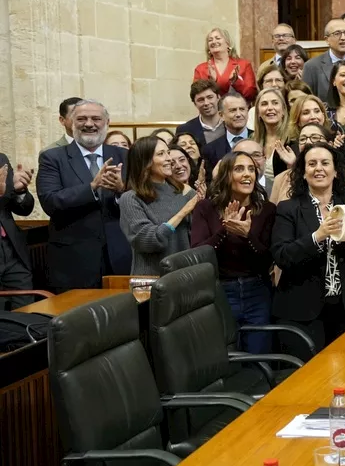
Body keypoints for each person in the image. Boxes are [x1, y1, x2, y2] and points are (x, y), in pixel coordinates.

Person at [271, 142, 345, 354]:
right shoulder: (288, 208)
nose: (318, 168)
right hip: (303, 311)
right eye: (312, 164)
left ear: (336, 171)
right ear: (303, 173)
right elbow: (282, 256)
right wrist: (318, 236)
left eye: (325, 163)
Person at [37, 100, 131, 290]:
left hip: (121, 255)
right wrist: (91, 187)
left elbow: (145, 197)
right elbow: (50, 201)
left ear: (107, 122)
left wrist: (122, 191)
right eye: (82, 119)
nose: (89, 124)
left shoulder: (125, 155)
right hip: (74, 260)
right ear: (71, 122)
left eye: (96, 118)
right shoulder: (53, 157)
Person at [190, 150, 278, 353]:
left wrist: (248, 237)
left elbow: (268, 259)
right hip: (219, 291)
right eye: (239, 169)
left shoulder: (267, 210)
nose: (247, 174)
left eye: (251, 169)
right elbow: (198, 254)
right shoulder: (206, 208)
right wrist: (224, 230)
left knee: (259, 359)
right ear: (226, 175)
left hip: (258, 291)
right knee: (225, 358)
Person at [118, 136, 199, 275]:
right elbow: (149, 241)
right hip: (152, 281)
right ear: (145, 161)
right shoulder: (131, 199)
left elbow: (197, 236)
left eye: (168, 152)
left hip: (185, 278)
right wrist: (183, 212)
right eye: (161, 154)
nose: (169, 158)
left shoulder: (184, 193)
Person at [0, 154, 35, 310]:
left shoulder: (1, 160)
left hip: (12, 250)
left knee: (26, 310)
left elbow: (23, 208)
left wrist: (20, 191)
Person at [193, 27, 256, 101]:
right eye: (210, 40)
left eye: (218, 38)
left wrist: (236, 82)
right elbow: (196, 95)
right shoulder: (200, 69)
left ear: (228, 43)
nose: (213, 42)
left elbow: (251, 94)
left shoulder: (244, 64)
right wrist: (212, 82)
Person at [200, 93, 253, 182]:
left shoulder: (260, 139)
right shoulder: (210, 150)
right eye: (233, 110)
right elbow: (209, 185)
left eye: (242, 109)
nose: (239, 114)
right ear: (221, 115)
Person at [302, 18, 345, 104]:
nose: (343, 38)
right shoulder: (312, 66)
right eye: (337, 33)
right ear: (327, 40)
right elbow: (305, 102)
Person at [252, 87, 291, 180]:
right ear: (258, 113)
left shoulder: (293, 140)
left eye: (275, 103)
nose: (270, 108)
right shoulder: (252, 140)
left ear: (284, 111)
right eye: (264, 104)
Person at [175, 79, 225, 150]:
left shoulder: (230, 123)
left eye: (210, 97)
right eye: (201, 100)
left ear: (218, 97)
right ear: (195, 104)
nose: (206, 103)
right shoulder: (185, 129)